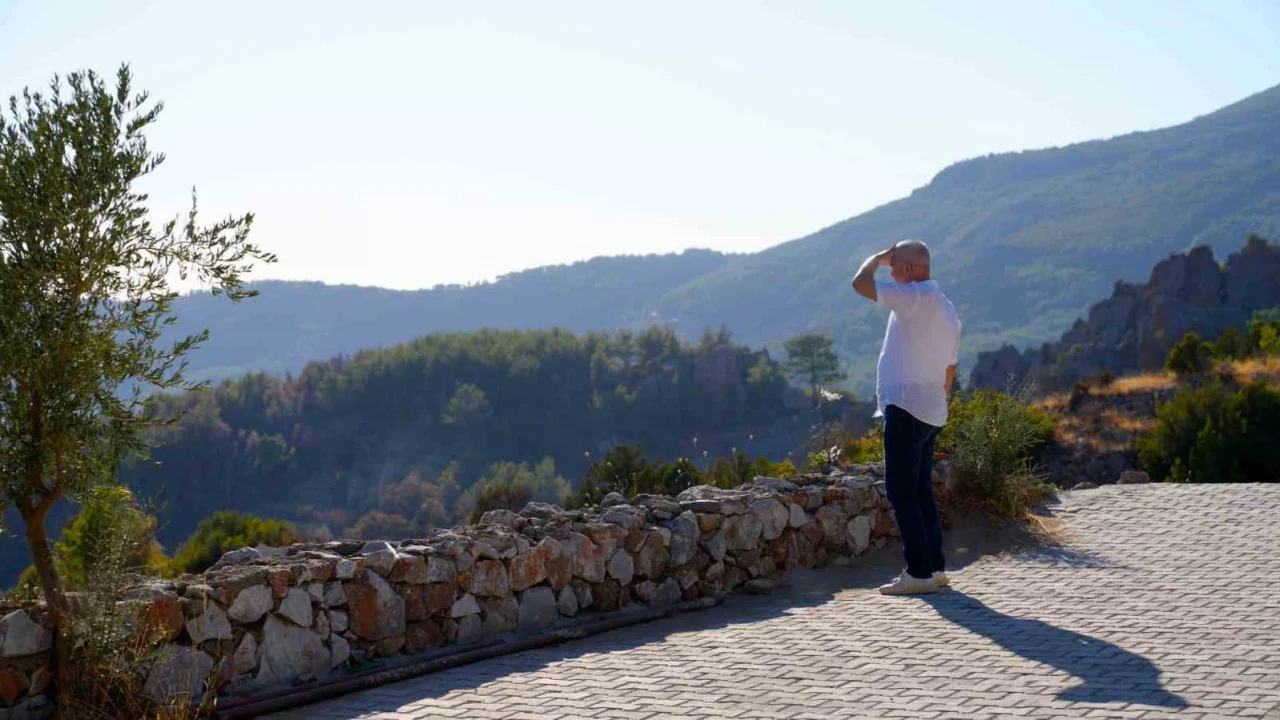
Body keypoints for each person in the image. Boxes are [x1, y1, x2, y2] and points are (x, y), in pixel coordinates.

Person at [851, 239, 961, 595]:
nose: (892, 269)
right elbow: (950, 369)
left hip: (905, 407)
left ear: (910, 270)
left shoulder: (913, 297)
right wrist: (938, 402)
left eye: (896, 264)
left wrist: (875, 258)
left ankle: (918, 573)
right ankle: (936, 569)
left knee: (901, 492)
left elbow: (859, 284)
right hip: (932, 409)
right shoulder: (947, 308)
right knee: (921, 491)